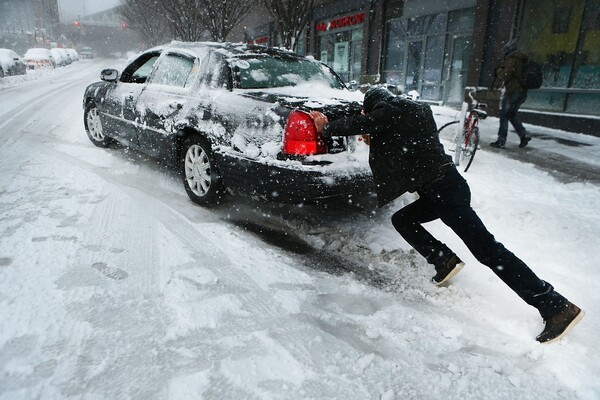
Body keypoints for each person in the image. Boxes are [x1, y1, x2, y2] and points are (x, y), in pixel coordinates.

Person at [309, 87, 583, 343]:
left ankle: (555, 306)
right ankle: (444, 260)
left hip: (445, 193)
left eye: (368, 113)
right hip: (443, 190)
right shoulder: (412, 111)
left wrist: (327, 127)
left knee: (489, 251)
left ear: (375, 107)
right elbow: (387, 135)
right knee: (403, 219)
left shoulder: (392, 111)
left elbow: (365, 123)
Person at [490, 40, 532, 149]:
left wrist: (499, 70)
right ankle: (524, 135)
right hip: (522, 92)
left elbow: (505, 74)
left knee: (504, 115)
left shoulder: (512, 59)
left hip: (513, 91)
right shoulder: (522, 59)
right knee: (511, 114)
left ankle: (501, 140)